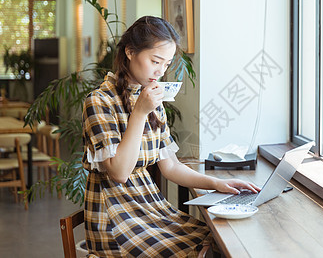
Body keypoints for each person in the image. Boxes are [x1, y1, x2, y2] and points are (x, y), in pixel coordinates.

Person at [82, 15, 260, 257]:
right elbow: (120, 173)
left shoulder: (152, 99)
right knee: (199, 250)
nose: (160, 71)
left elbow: (171, 167)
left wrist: (217, 184)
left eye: (166, 65)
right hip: (115, 216)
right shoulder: (99, 101)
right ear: (130, 52)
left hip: (150, 207)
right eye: (155, 61)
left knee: (218, 240)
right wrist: (140, 112)